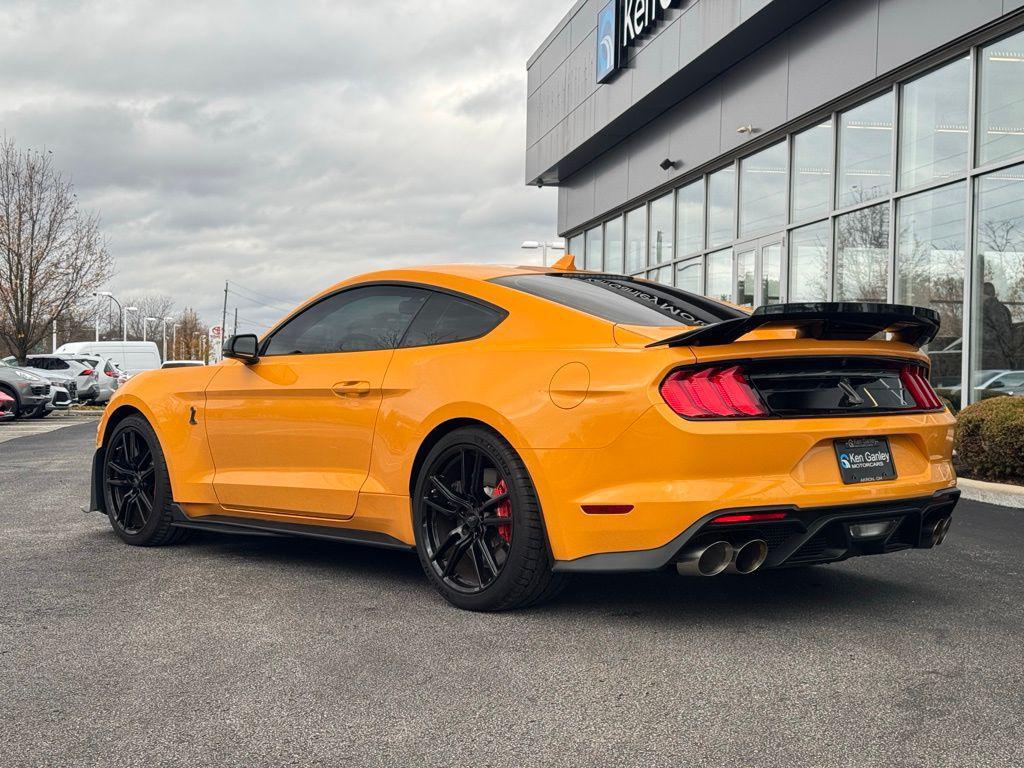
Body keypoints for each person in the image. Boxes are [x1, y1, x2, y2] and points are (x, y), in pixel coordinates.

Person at [981, 282, 1015, 369]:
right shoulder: (1003, 308)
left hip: (990, 357)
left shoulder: (987, 308)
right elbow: (1007, 333)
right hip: (999, 356)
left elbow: (1004, 332)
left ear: (982, 293)